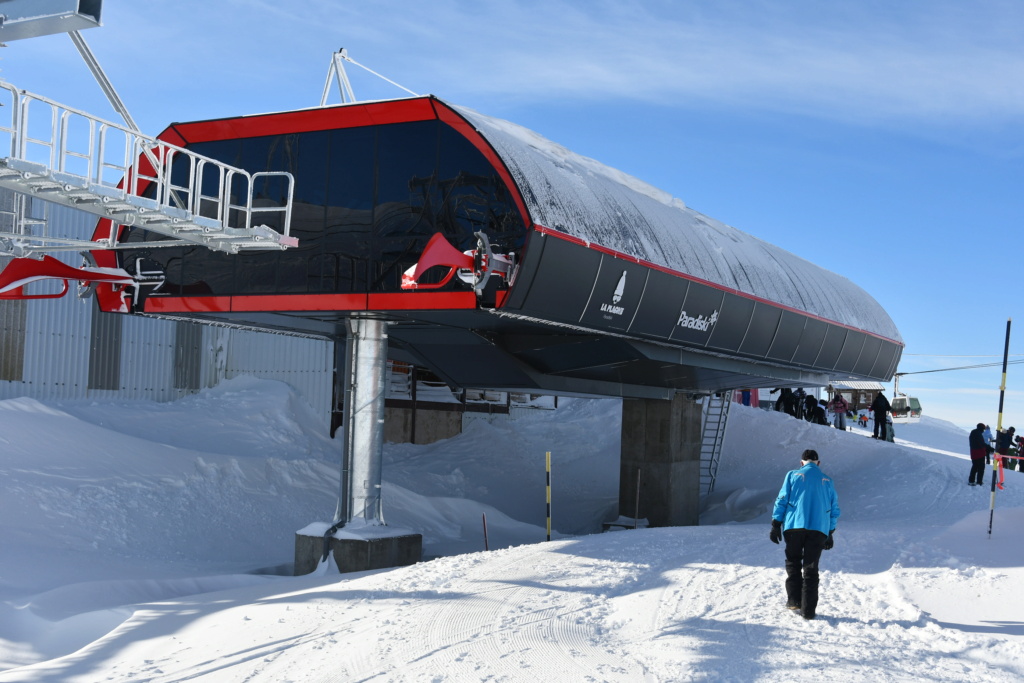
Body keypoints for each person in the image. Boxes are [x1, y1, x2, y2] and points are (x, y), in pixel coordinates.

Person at [769, 449, 840, 620]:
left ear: (801, 462)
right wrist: (830, 532)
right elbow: (834, 509)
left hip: (794, 526)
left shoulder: (793, 475)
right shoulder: (827, 481)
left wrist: (776, 523)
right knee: (811, 568)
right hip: (819, 529)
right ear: (818, 463)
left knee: (793, 561)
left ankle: (794, 600)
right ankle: (808, 611)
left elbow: (782, 499)